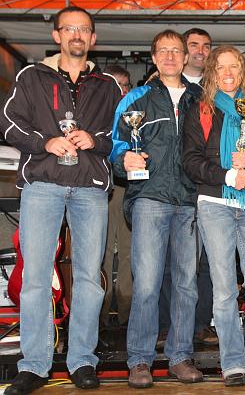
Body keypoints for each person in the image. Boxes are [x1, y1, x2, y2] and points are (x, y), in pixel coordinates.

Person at [0, 6, 121, 394]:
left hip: (89, 188)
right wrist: (44, 142)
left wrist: (96, 141)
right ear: (56, 36)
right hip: (43, 185)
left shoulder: (107, 86)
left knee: (89, 278)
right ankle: (34, 365)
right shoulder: (31, 76)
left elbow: (120, 137)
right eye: (69, 28)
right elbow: (7, 121)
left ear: (93, 39)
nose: (77, 35)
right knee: (35, 278)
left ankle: (82, 360)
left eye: (84, 30)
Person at [110, 29, 203, 388]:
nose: (169, 57)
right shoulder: (137, 98)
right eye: (162, 51)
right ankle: (139, 359)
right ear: (153, 57)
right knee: (147, 284)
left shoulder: (201, 99)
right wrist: (123, 157)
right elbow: (116, 144)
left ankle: (180, 356)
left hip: (191, 200)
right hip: (149, 197)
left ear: (184, 57)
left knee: (186, 284)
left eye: (175, 51)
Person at [182, 45, 245, 386]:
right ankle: (233, 363)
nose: (227, 72)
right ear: (211, 72)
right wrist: (227, 174)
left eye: (234, 66)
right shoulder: (200, 111)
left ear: (242, 71)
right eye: (220, 66)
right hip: (215, 203)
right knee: (224, 289)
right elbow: (190, 160)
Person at [157, 27, 217, 350]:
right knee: (170, 264)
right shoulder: (152, 91)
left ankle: (201, 324)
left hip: (204, 187)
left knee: (206, 262)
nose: (200, 51)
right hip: (167, 190)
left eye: (206, 46)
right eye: (192, 45)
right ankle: (168, 326)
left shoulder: (213, 91)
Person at [101, 65, 133, 328]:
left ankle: (125, 319)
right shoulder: (96, 111)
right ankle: (98, 318)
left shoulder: (134, 114)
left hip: (125, 188)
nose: (120, 89)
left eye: (124, 85)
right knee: (99, 255)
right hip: (98, 189)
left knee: (127, 253)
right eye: (114, 84)